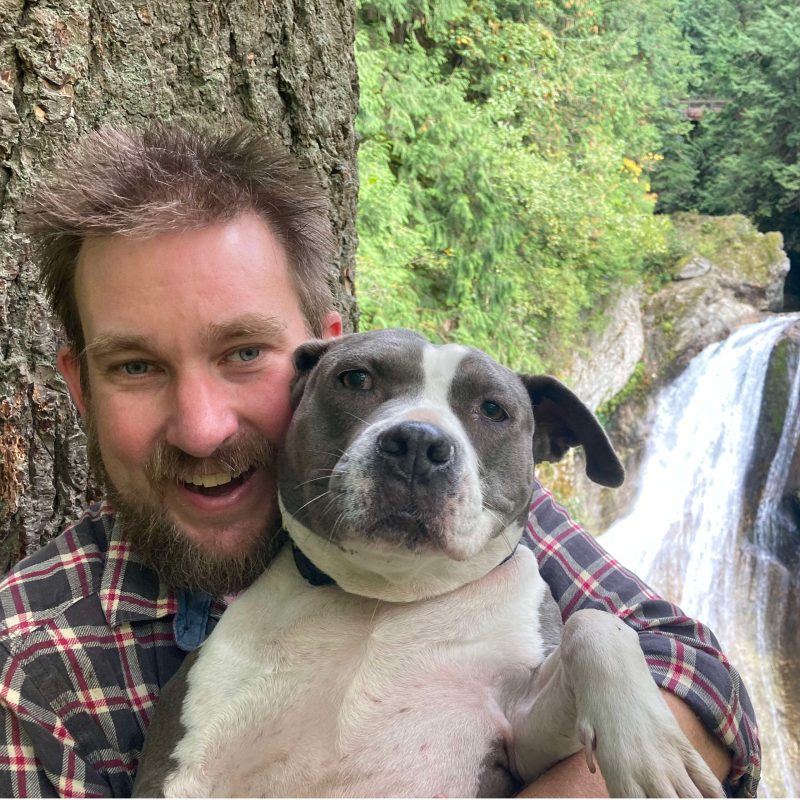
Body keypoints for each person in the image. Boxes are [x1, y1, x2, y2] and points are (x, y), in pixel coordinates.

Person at [0, 124, 758, 798]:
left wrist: (604, 663)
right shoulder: (31, 664)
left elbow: (700, 679)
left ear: (313, 354)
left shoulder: (478, 513)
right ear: (80, 386)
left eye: (244, 352)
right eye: (135, 366)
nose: (202, 430)